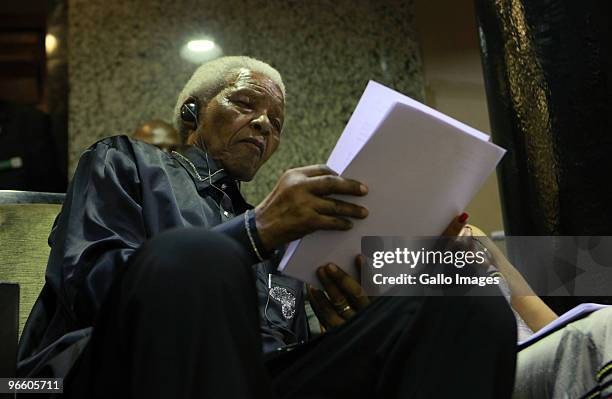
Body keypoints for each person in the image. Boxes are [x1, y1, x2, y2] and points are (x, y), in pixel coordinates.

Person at [17, 56, 517, 398]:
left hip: (261, 380)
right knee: (198, 255)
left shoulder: (289, 237)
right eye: (245, 104)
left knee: (464, 295)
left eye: (275, 123)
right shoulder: (125, 161)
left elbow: (290, 345)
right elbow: (90, 287)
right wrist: (253, 234)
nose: (263, 126)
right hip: (124, 366)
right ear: (193, 113)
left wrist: (349, 321)